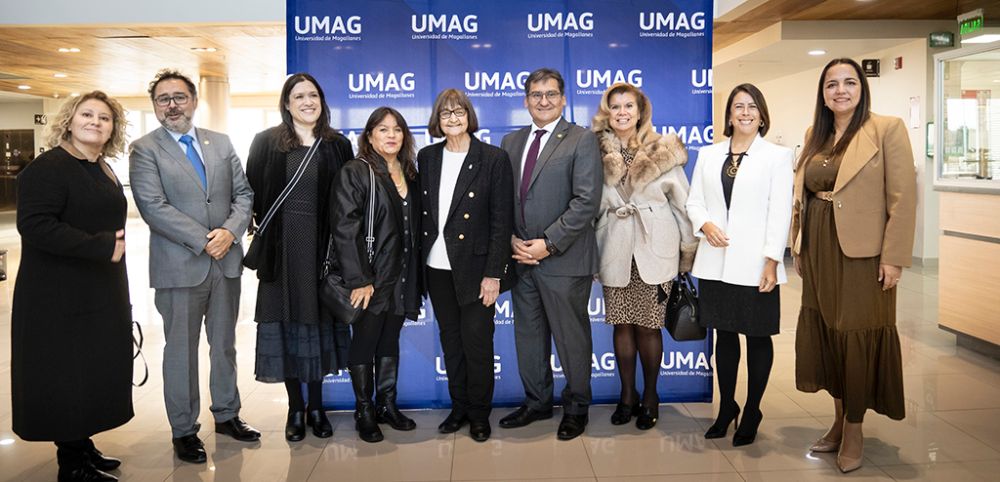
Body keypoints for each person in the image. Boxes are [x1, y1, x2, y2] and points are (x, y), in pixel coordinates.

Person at [791, 58, 917, 473]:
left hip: (864, 256)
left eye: (848, 82)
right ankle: (839, 419)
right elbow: (806, 195)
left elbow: (903, 199)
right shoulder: (816, 134)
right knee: (829, 334)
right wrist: (800, 246)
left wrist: (894, 258)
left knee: (857, 337)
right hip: (820, 249)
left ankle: (856, 428)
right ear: (822, 93)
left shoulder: (887, 128)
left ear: (862, 88)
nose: (840, 90)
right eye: (831, 84)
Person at [129, 69, 258, 464]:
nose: (172, 105)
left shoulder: (219, 142)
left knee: (224, 346)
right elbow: (153, 207)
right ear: (154, 106)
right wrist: (206, 239)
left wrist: (230, 233)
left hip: (226, 264)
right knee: (181, 352)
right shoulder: (144, 148)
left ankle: (227, 414)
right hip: (179, 266)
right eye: (163, 99)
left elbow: (244, 193)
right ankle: (184, 430)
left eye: (179, 97)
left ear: (194, 100)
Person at [12, 91, 131, 482]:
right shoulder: (48, 168)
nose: (96, 122)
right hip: (57, 294)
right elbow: (35, 225)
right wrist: (101, 247)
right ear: (69, 120)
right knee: (66, 373)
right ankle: (72, 465)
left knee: (91, 370)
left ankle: (82, 445)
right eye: (87, 114)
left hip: (97, 289)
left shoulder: (102, 166)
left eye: (104, 117)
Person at [245, 73, 355, 441]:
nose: (307, 101)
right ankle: (295, 408)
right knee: (287, 328)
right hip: (281, 252)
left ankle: (318, 407)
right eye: (299, 96)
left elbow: (348, 200)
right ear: (287, 103)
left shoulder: (337, 144)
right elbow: (253, 194)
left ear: (321, 101)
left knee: (317, 328)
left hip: (322, 252)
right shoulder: (266, 142)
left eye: (313, 95)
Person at [498, 68, 603, 441]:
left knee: (571, 338)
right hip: (521, 258)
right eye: (536, 94)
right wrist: (511, 239)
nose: (544, 101)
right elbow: (503, 200)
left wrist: (549, 243)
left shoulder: (581, 139)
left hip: (563, 259)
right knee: (528, 336)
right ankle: (537, 402)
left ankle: (576, 408)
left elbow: (586, 201)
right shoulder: (510, 142)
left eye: (551, 94)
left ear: (563, 99)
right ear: (526, 100)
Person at [686, 84, 794, 446]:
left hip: (756, 263)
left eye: (752, 107)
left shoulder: (777, 157)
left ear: (762, 114)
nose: (745, 112)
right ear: (729, 115)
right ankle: (726, 406)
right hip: (715, 262)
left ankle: (752, 410)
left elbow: (780, 213)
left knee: (758, 337)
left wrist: (771, 261)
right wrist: (705, 224)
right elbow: (694, 201)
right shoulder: (709, 153)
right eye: (738, 107)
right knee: (724, 337)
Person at [592, 83, 696, 431]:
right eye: (615, 106)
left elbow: (683, 205)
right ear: (607, 111)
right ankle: (627, 396)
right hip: (614, 248)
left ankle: (650, 397)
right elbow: (588, 205)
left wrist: (687, 255)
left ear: (640, 111)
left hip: (656, 249)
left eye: (628, 106)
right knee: (621, 324)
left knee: (649, 328)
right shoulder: (593, 151)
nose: (622, 112)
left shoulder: (661, 148)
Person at [418, 89, 514, 442]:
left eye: (459, 112)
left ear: (469, 116)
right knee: (451, 341)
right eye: (445, 114)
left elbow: (501, 222)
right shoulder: (427, 157)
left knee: (477, 342)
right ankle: (458, 407)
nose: (453, 119)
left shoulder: (493, 158)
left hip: (477, 271)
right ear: (437, 121)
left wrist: (493, 275)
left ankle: (478, 413)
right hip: (437, 267)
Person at [331, 107, 423, 443]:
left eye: (397, 129)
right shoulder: (356, 171)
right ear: (369, 135)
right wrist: (359, 278)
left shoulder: (410, 172)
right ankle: (364, 410)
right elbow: (344, 227)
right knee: (365, 342)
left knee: (389, 340)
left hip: (403, 276)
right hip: (371, 278)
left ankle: (387, 405)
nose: (391, 135)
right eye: (383, 129)